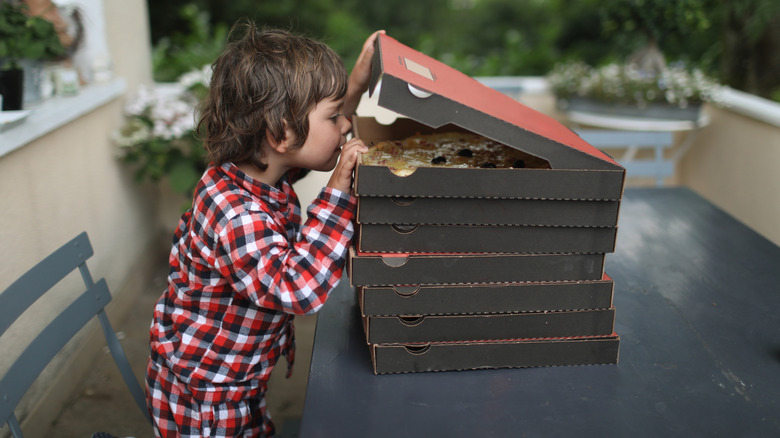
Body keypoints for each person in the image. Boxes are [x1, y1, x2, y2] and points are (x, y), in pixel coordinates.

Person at [145, 21, 384, 437]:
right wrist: (339, 192)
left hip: (237, 376)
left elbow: (309, 127)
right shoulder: (235, 212)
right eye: (334, 116)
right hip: (206, 397)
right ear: (280, 134)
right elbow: (295, 288)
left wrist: (357, 85)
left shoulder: (253, 177)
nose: (345, 126)